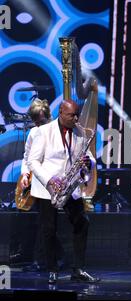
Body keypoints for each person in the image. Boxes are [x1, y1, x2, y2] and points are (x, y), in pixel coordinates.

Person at [27, 99, 99, 284]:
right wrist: (50, 179)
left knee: (82, 223)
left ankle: (79, 269)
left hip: (70, 187)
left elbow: (88, 156)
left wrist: (88, 163)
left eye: (77, 114)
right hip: (48, 188)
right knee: (49, 229)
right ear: (60, 112)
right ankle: (52, 269)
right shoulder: (42, 132)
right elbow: (33, 162)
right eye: (71, 115)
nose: (75, 119)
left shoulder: (80, 131)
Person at [18, 98, 64, 271]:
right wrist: (25, 174)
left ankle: (53, 258)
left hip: (55, 183)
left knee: (47, 223)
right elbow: (27, 157)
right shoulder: (33, 133)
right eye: (35, 122)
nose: (38, 125)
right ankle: (49, 259)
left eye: (41, 121)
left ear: (49, 116)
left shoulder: (57, 132)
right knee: (43, 222)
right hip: (37, 183)